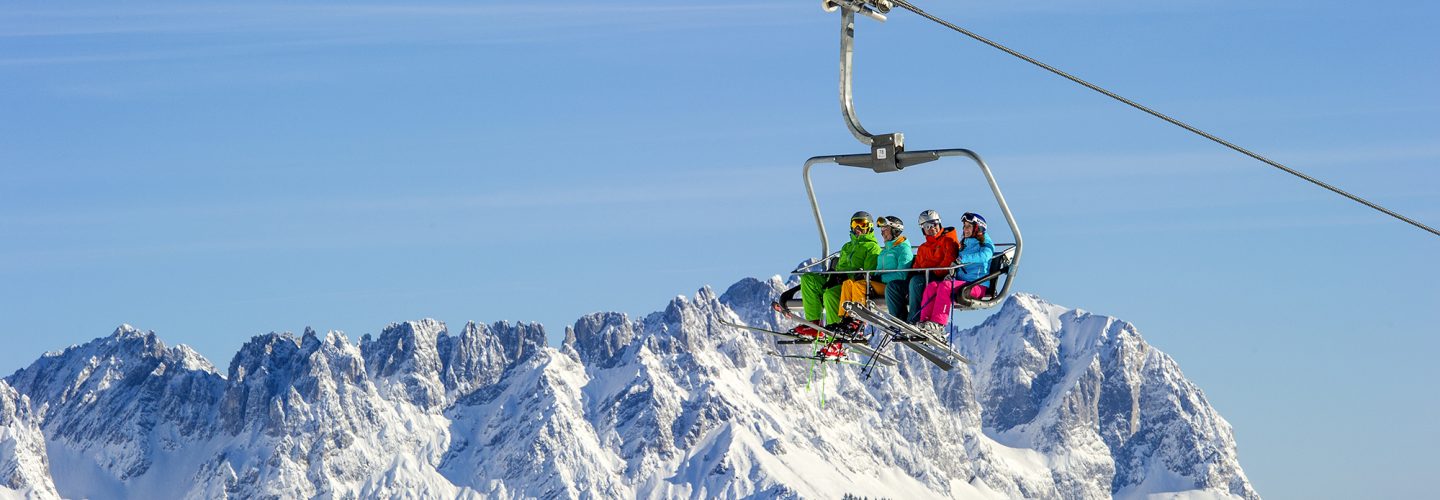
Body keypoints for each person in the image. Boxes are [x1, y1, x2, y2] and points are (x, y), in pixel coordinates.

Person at [795, 211, 882, 340]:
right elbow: (840, 266)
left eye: (861, 224)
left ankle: (834, 338)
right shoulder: (847, 247)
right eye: (855, 224)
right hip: (836, 280)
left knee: (830, 294)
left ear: (869, 226)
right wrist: (833, 277)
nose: (858, 228)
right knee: (808, 279)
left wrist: (847, 276)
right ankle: (814, 324)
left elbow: (870, 273)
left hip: (851, 285)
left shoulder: (872, 248)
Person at [914, 212, 995, 335]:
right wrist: (952, 274)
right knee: (932, 286)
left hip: (977, 285)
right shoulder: (965, 244)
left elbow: (985, 256)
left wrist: (962, 260)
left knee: (945, 286)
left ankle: (939, 324)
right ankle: (925, 322)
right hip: (963, 283)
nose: (965, 229)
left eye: (968, 226)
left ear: (978, 228)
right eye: (964, 226)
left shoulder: (985, 243)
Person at [905, 210, 960, 327]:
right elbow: (916, 267)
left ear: (939, 224)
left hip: (941, 278)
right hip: (927, 276)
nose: (931, 228)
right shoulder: (922, 248)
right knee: (896, 286)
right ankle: (901, 320)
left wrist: (930, 271)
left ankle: (914, 319)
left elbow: (947, 263)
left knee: (917, 282)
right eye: (927, 226)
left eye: (934, 224)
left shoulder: (948, 242)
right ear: (923, 229)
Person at [874, 216, 914, 319]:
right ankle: (847, 318)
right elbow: (878, 272)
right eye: (881, 229)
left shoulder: (903, 249)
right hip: (880, 285)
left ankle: (899, 318)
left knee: (860, 286)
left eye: (885, 229)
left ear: (895, 230)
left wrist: (880, 278)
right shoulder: (883, 252)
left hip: (893, 286)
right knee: (853, 284)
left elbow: (902, 274)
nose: (882, 233)